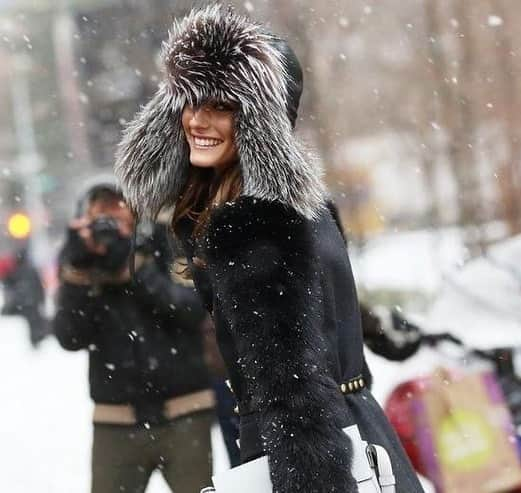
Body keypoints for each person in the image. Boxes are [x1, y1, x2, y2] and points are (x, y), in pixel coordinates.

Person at [115, 5, 423, 492]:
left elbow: (295, 395)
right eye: (189, 103)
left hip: (309, 452)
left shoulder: (251, 224)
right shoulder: (301, 206)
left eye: (220, 106)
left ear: (259, 122)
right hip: (356, 435)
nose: (197, 120)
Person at [53, 183, 215, 493]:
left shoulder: (166, 240)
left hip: (185, 412)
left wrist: (135, 267)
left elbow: (192, 309)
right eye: (101, 211)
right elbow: (70, 336)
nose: (111, 218)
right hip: (115, 422)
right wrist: (78, 272)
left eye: (118, 206)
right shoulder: (82, 262)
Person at [1, 245, 48, 347]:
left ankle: (35, 340)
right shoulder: (30, 269)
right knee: (34, 321)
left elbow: (9, 284)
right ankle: (36, 339)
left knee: (31, 322)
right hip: (30, 302)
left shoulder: (16, 270)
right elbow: (39, 286)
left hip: (23, 303)